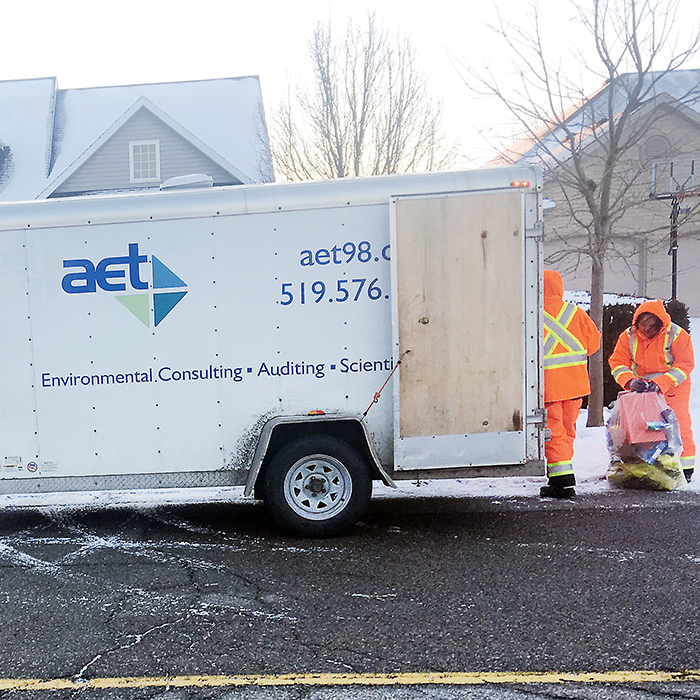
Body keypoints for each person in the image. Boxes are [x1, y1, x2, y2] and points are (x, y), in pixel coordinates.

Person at [608, 300, 695, 482]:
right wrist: (630, 381)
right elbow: (617, 363)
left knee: (677, 426)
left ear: (660, 324)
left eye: (651, 325)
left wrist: (661, 383)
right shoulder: (629, 336)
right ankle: (644, 464)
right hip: (642, 389)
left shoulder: (676, 335)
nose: (646, 329)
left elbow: (684, 365)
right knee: (640, 427)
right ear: (636, 322)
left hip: (673, 389)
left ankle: (684, 468)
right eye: (643, 324)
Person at [541, 270, 602, 498]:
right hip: (576, 386)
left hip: (549, 387)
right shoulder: (575, 312)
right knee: (567, 431)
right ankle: (563, 471)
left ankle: (561, 479)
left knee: (553, 432)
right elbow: (593, 344)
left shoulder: (532, 313)